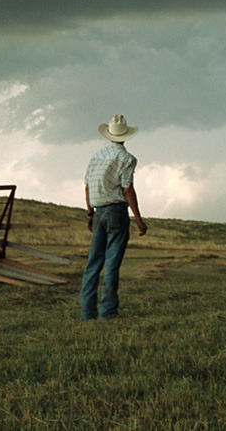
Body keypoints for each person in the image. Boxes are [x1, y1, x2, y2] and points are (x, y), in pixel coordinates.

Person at [80, 114, 148, 321]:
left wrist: (90, 214)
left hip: (98, 210)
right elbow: (127, 188)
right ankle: (108, 313)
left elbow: (87, 187)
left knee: (93, 264)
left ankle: (87, 313)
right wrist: (138, 218)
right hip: (116, 212)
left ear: (109, 135)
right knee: (111, 264)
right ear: (125, 136)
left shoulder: (96, 156)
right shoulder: (127, 158)